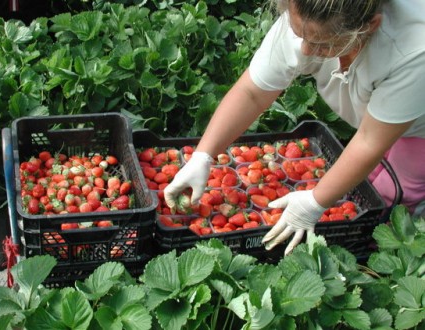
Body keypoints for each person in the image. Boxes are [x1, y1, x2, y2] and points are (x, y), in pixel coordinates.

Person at [163, 0, 425, 255]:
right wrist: (203, 155)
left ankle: (384, 255)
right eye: (300, 34)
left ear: (370, 26)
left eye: (322, 44)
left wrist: (315, 201)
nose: (307, 50)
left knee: (395, 191)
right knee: (367, 177)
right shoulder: (308, 13)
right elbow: (252, 93)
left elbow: (369, 141)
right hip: (383, 106)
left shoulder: (414, 49)